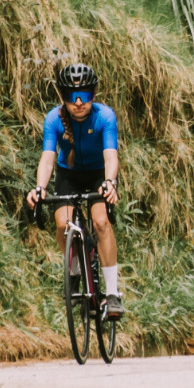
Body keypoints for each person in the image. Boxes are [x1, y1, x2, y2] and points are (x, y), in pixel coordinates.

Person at [25, 63, 123, 316]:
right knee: (63, 225)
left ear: (94, 95)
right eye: (72, 96)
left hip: (98, 175)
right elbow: (48, 159)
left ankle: (112, 294)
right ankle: (76, 269)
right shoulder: (53, 120)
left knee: (101, 222)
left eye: (85, 95)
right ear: (63, 97)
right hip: (68, 175)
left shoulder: (105, 116)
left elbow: (111, 156)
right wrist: (40, 188)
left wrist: (110, 182)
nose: (79, 102)